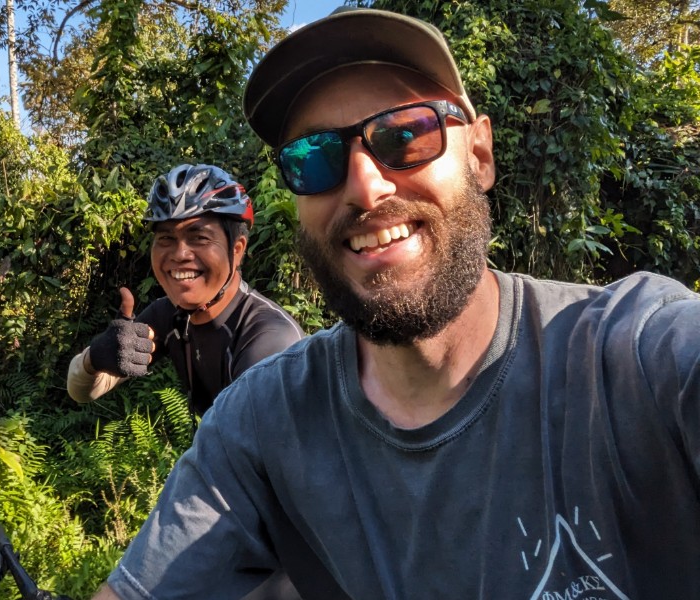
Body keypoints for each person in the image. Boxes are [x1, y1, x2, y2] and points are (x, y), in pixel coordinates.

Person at [92, 7, 700, 599]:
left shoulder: (632, 355)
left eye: (408, 135)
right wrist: (94, 358)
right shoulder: (252, 416)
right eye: (315, 158)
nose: (365, 185)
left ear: (480, 156)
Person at [67, 163, 304, 417]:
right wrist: (96, 358)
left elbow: (248, 450)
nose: (180, 255)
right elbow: (82, 391)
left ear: (237, 250)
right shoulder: (169, 316)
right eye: (166, 239)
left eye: (199, 237)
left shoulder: (270, 339)